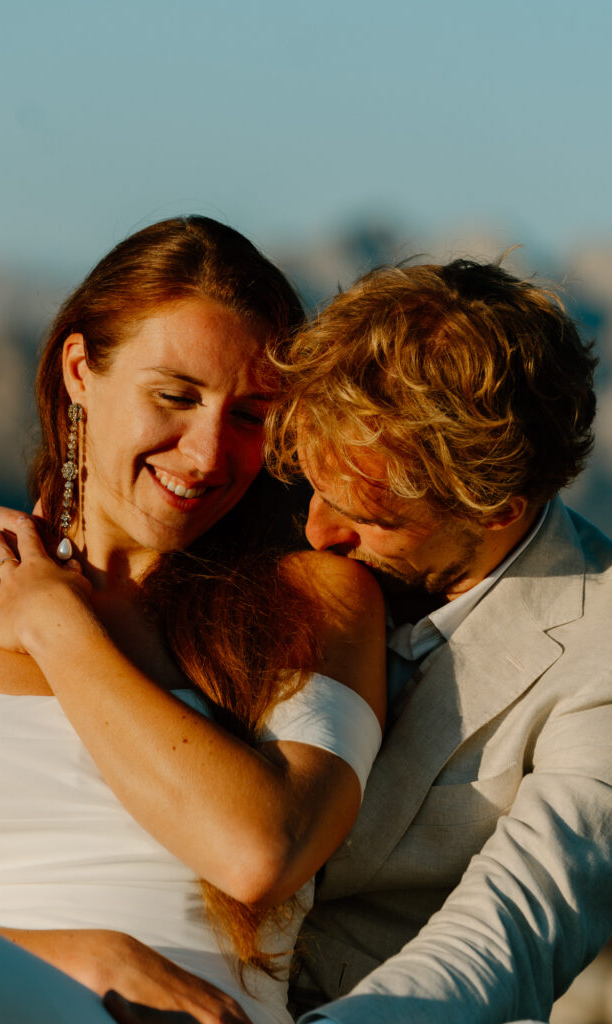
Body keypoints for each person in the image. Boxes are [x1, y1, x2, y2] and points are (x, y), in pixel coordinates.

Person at [0, 216, 386, 1024]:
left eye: (250, 414)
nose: (209, 453)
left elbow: (257, 851)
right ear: (80, 370)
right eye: (175, 396)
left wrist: (55, 624)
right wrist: (87, 957)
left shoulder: (316, 602)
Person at [262, 257, 611, 1024]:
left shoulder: (604, 645)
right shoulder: (264, 526)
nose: (318, 530)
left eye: (371, 516)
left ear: (497, 509)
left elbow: (516, 925)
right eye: (313, 485)